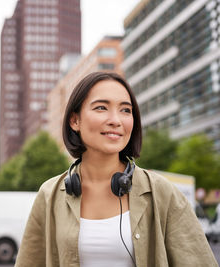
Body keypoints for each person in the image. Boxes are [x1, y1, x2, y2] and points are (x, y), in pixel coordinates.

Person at [15, 72, 217, 267]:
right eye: (101, 108)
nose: (116, 120)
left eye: (125, 110)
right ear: (75, 120)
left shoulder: (162, 193)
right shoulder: (49, 195)